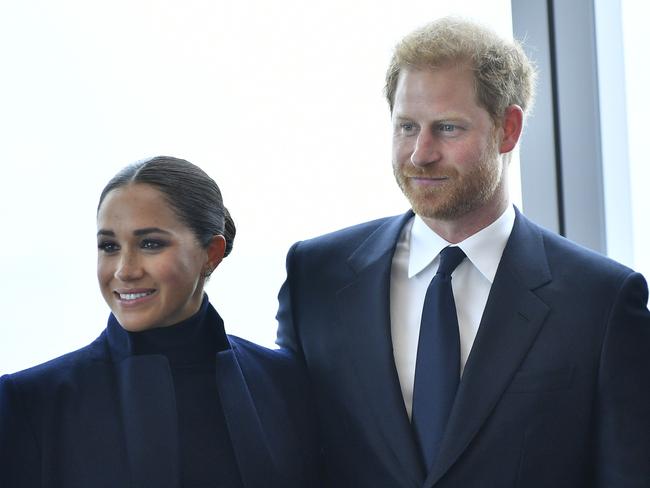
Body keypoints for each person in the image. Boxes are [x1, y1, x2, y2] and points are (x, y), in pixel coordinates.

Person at [276, 17, 650, 487]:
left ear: (508, 130)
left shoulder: (602, 301)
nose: (420, 154)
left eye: (447, 128)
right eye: (407, 126)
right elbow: (286, 455)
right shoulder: (317, 276)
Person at [0, 156, 320, 488]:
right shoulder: (29, 402)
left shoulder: (285, 383)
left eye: (150, 244)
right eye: (109, 246)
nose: (125, 270)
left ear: (211, 253)